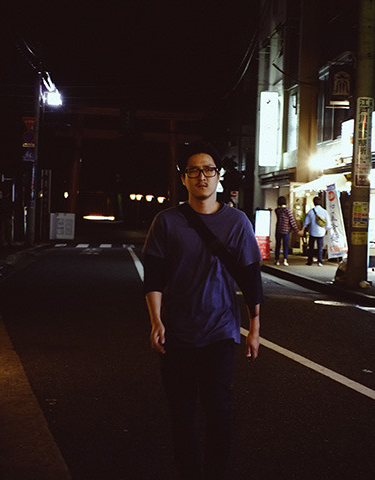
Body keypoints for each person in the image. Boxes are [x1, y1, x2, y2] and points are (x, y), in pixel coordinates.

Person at [143, 142, 262, 480]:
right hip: (177, 331)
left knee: (218, 408)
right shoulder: (166, 222)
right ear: (183, 178)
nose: (202, 176)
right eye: (193, 171)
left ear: (218, 176)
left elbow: (251, 277)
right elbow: (154, 276)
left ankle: (215, 472)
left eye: (208, 170)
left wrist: (254, 328)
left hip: (220, 331)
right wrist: (156, 321)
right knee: (181, 413)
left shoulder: (237, 222)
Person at [273, 195, 302, 266]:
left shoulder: (277, 210)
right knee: (285, 245)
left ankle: (277, 260)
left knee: (278, 245)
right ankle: (285, 260)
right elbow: (292, 221)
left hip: (278, 229)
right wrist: (297, 230)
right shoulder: (288, 211)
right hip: (286, 231)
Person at [301, 196, 330, 266]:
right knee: (320, 247)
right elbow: (328, 223)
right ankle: (320, 261)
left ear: (314, 203)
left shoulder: (311, 211)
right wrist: (325, 230)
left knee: (311, 247)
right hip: (321, 232)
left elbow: (306, 221)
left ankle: (310, 261)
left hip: (313, 232)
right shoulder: (324, 211)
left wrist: (303, 229)